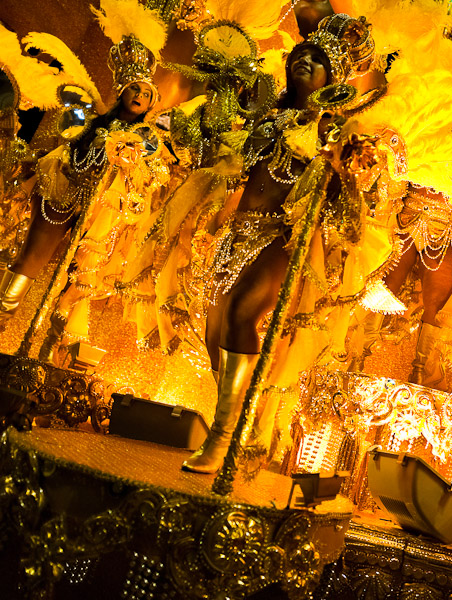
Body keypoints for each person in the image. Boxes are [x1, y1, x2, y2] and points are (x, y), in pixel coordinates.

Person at [182, 14, 378, 473]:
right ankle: (233, 417)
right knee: (214, 325)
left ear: (335, 77)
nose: (305, 62)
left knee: (242, 312)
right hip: (240, 230)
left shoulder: (337, 130)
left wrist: (341, 163)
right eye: (302, 54)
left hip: (283, 236)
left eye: (319, 60)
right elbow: (224, 158)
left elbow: (349, 205)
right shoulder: (265, 114)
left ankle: (222, 437)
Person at [0, 0, 170, 365]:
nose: (139, 96)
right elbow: (74, 143)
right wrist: (97, 144)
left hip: (106, 218)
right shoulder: (92, 121)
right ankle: (3, 314)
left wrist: (127, 156)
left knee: (81, 281)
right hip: (65, 192)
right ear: (122, 91)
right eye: (134, 90)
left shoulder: (150, 135)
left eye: (146, 93)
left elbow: (150, 172)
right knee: (33, 256)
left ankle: (57, 351)